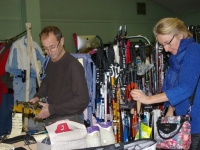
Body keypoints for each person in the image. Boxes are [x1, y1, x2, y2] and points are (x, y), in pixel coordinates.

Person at [130, 17, 200, 149]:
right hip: (184, 123)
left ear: (180, 34)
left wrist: (149, 99)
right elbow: (177, 85)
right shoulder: (176, 58)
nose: (166, 49)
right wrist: (170, 110)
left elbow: (186, 88)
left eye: (168, 43)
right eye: (162, 45)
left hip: (196, 125)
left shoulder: (194, 50)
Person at [30, 26, 89, 124]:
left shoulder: (73, 66)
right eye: (45, 48)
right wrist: (38, 96)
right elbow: (47, 82)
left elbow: (82, 100)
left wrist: (52, 109)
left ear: (61, 41)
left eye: (52, 47)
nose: (49, 52)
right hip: (54, 119)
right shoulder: (50, 62)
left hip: (71, 121)